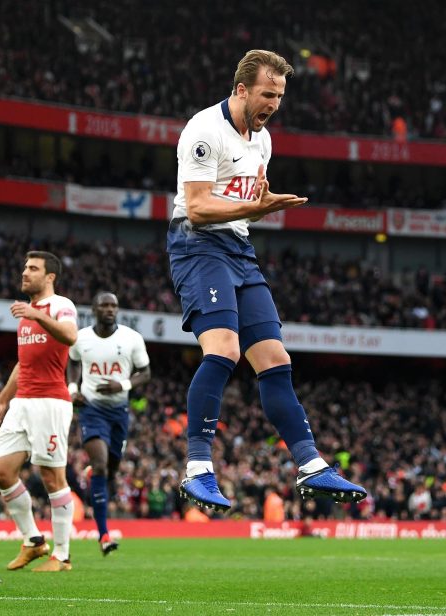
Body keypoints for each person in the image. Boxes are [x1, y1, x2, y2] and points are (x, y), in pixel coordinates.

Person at [167, 49, 366, 511]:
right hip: (198, 244)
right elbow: (196, 207)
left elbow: (246, 196)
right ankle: (198, 469)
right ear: (241, 90)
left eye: (279, 95)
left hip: (238, 247)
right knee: (225, 349)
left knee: (275, 357)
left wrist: (261, 201)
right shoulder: (203, 131)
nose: (274, 103)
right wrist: (255, 208)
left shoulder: (262, 139)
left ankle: (312, 465)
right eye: (267, 94)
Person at [0, 251, 78, 573]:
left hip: (51, 402)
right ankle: (33, 541)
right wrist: (1, 400)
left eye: (33, 269)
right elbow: (22, 363)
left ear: (50, 276)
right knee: (1, 472)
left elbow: (70, 336)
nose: (25, 273)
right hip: (22, 402)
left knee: (52, 477)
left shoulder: (60, 305)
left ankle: (63, 556)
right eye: (25, 267)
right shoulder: (27, 315)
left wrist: (37, 315)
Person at [68, 292, 151, 556]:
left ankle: (99, 480)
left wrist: (123, 384)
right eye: (104, 305)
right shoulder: (81, 338)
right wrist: (73, 389)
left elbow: (145, 372)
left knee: (112, 468)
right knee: (101, 465)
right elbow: (72, 361)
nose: (109, 309)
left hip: (119, 411)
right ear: (93, 309)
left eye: (114, 305)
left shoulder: (131, 338)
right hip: (91, 410)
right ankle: (103, 534)